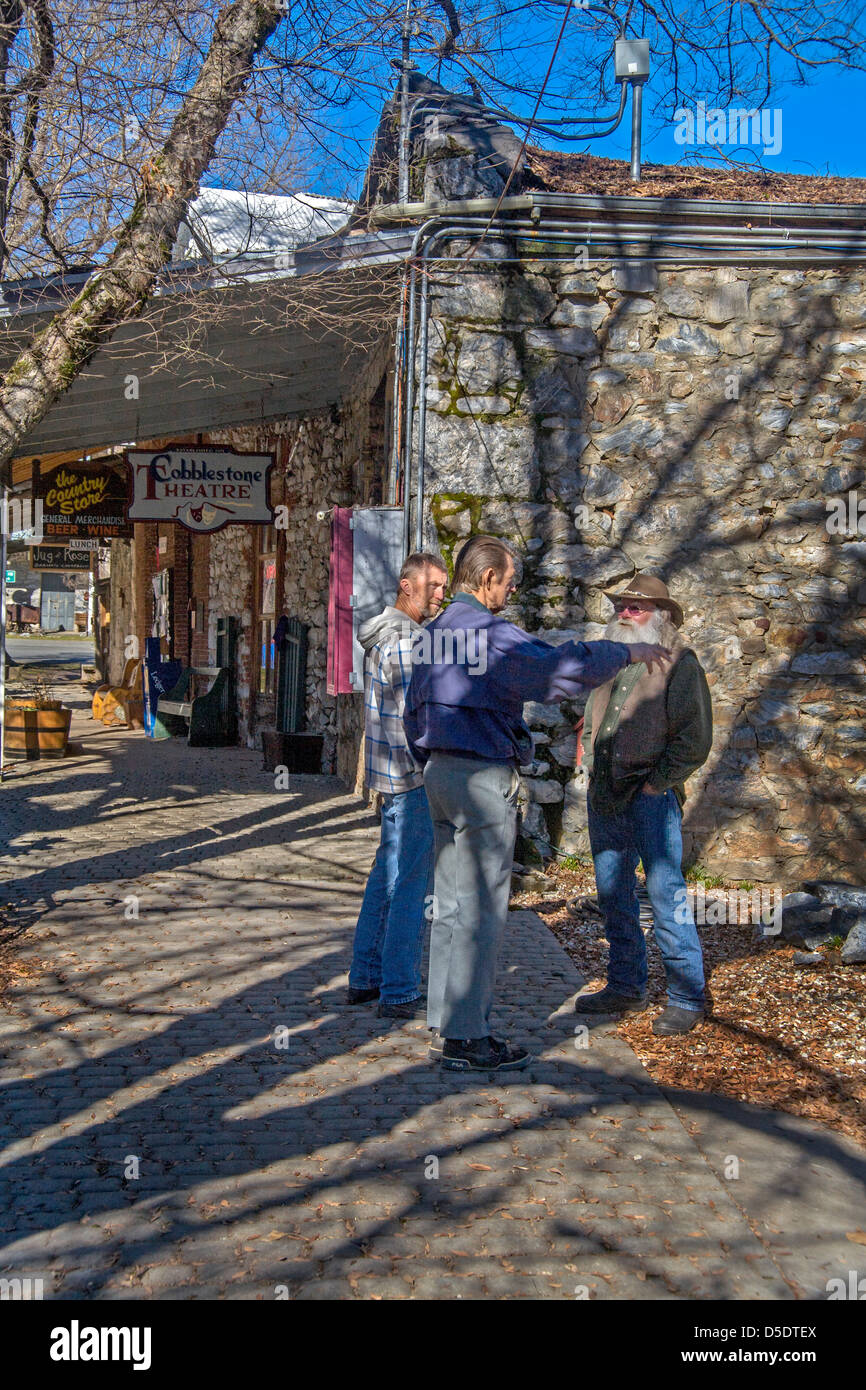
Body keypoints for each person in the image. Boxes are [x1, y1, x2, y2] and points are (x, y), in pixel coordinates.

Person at [404, 536, 670, 1073]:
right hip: (480, 777)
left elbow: (413, 709)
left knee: (451, 906)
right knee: (479, 909)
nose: (511, 590)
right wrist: (625, 652)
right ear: (485, 580)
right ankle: (468, 1038)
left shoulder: (434, 634)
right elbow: (553, 671)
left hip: (438, 774)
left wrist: (429, 761)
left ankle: (445, 1021)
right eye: (507, 580)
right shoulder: (490, 634)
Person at [576, 573, 714, 1036]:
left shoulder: (681, 663)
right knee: (613, 895)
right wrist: (588, 759)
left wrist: (657, 785)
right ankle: (626, 985)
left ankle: (686, 996)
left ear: (663, 615)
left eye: (636, 608)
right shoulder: (612, 660)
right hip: (606, 794)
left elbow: (694, 740)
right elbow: (593, 719)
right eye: (621, 606)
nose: (625, 614)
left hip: (649, 799)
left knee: (665, 894)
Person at [346, 552, 449, 1019]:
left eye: (445, 587)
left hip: (389, 778)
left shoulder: (386, 637)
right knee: (410, 884)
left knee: (384, 879)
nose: (441, 595)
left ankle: (365, 977)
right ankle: (399, 988)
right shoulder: (407, 644)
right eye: (435, 586)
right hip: (411, 779)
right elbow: (420, 720)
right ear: (408, 586)